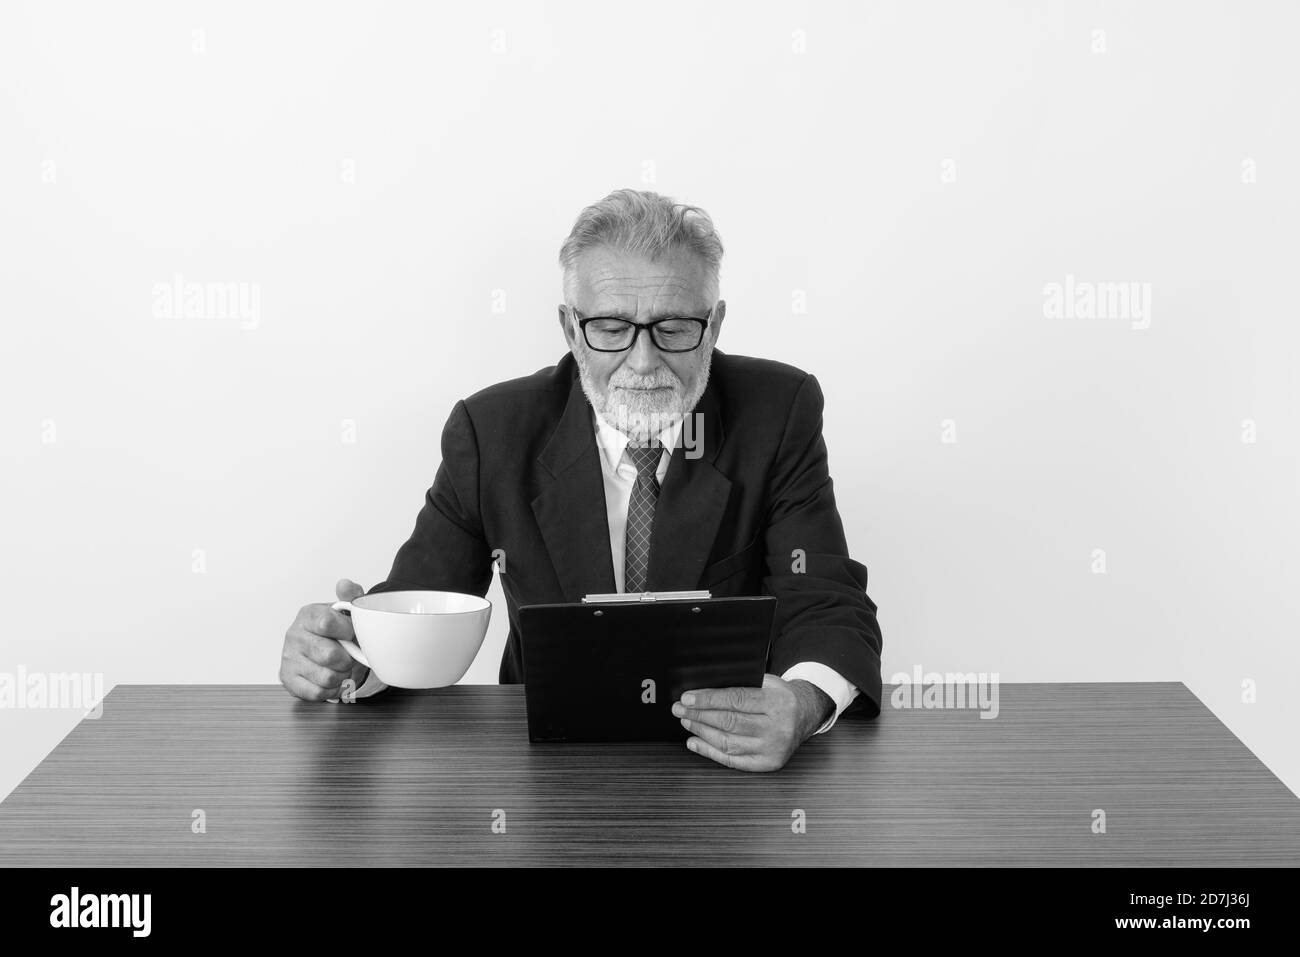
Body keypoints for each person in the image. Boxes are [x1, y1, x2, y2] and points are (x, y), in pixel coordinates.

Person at [280, 188, 883, 771]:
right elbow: (424, 605)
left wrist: (802, 706)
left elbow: (825, 599)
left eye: (673, 327)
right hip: (542, 758)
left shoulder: (778, 412)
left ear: (715, 325)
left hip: (722, 759)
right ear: (571, 329)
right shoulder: (491, 433)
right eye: (612, 328)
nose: (643, 362)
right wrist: (349, 657)